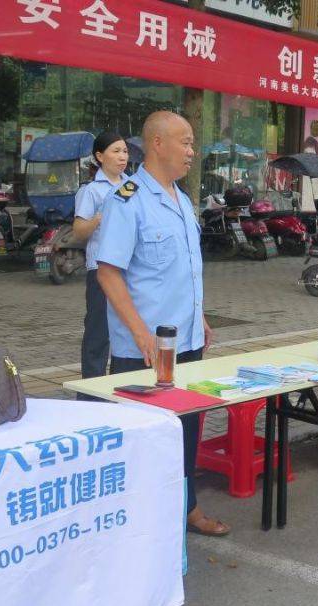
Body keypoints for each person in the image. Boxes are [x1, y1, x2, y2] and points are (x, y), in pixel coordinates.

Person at [95, 112, 228, 536]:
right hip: (145, 351)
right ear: (157, 143)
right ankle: (138, 524)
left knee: (185, 431)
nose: (192, 152)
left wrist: (199, 316)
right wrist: (138, 331)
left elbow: (183, 270)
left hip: (185, 342)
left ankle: (186, 508)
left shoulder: (181, 200)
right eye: (185, 143)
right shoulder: (127, 200)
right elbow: (108, 272)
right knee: (144, 440)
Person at [72, 132, 129, 398]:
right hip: (101, 271)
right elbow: (79, 231)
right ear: (99, 156)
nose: (122, 157)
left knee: (126, 331)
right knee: (99, 333)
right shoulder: (91, 190)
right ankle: (90, 395)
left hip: (130, 270)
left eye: (125, 152)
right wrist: (100, 217)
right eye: (116, 151)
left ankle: (123, 389)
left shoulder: (131, 186)